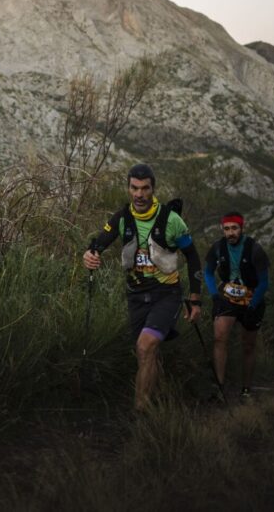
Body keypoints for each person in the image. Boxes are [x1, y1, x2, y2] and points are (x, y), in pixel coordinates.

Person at [83, 163, 203, 411]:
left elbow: (192, 256)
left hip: (166, 294)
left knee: (145, 345)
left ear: (153, 189)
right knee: (146, 353)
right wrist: (90, 255)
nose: (139, 194)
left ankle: (141, 409)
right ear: (128, 188)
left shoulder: (172, 220)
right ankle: (160, 398)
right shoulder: (121, 218)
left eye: (145, 188)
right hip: (136, 295)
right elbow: (97, 245)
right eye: (134, 188)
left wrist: (195, 298)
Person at [204, 211, 271, 399]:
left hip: (251, 298)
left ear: (242, 228)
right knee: (219, 338)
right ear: (222, 229)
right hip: (227, 296)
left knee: (248, 345)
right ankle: (220, 387)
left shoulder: (255, 249)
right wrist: (214, 295)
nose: (230, 233)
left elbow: (264, 282)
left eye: (234, 228)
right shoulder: (218, 247)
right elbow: (208, 272)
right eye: (226, 229)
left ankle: (246, 388)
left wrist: (253, 305)